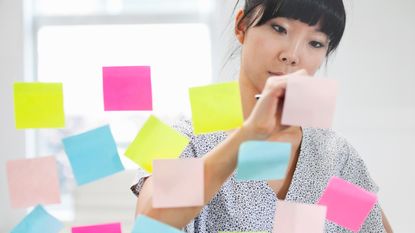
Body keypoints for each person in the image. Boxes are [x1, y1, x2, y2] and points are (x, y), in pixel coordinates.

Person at [131, 0, 393, 232]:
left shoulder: (336, 156)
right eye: (279, 28)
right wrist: (249, 135)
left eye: (315, 43)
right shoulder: (174, 133)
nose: (292, 55)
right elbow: (149, 223)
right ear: (241, 26)